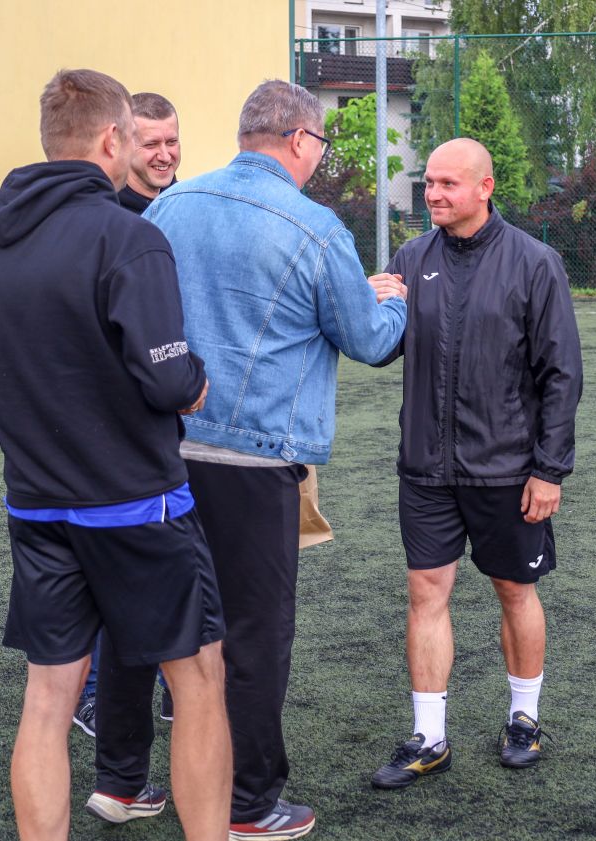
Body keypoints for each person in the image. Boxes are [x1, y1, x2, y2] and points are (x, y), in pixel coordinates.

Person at [0, 68, 231, 841]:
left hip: (37, 506)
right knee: (200, 679)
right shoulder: (127, 236)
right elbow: (170, 378)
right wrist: (195, 383)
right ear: (112, 139)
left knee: (47, 699)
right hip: (137, 506)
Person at [144, 79, 406, 840]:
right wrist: (391, 300)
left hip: (164, 452)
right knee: (255, 638)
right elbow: (368, 340)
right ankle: (249, 801)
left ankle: (137, 780)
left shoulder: (170, 205)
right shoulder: (315, 226)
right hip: (256, 462)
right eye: (319, 144)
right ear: (299, 140)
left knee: (177, 630)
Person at [367, 138, 583, 790]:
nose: (432, 194)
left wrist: (549, 469)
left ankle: (524, 718)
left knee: (515, 591)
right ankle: (429, 736)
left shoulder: (535, 262)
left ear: (484, 188)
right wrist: (368, 303)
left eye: (447, 184)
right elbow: (379, 349)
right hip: (426, 470)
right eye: (429, 183)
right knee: (425, 594)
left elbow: (561, 374)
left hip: (507, 471)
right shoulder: (411, 258)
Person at [74, 89, 181, 741]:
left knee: (178, 564)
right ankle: (94, 694)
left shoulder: (187, 208)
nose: (164, 154)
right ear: (121, 142)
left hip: (174, 424)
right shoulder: (107, 218)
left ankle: (171, 685)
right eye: (151, 142)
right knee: (106, 571)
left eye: (172, 141)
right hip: (114, 429)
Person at [119, 92, 181, 213]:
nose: (165, 157)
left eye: (171, 142)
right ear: (124, 145)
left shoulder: (190, 204)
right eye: (151, 145)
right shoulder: (105, 215)